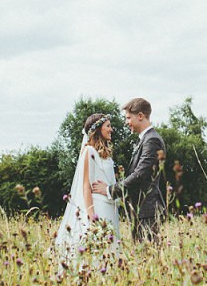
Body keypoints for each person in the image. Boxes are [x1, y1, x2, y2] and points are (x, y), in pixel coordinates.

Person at [92, 98, 166, 243]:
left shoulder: (151, 140)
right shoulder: (144, 140)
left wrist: (110, 190)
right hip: (140, 210)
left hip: (147, 210)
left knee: (148, 256)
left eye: (128, 118)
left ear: (140, 116)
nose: (126, 122)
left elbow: (140, 174)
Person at [55, 113, 120, 253]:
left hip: (110, 206)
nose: (111, 129)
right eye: (108, 126)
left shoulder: (106, 154)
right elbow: (86, 185)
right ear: (98, 129)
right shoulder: (89, 151)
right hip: (99, 208)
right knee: (100, 251)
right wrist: (91, 215)